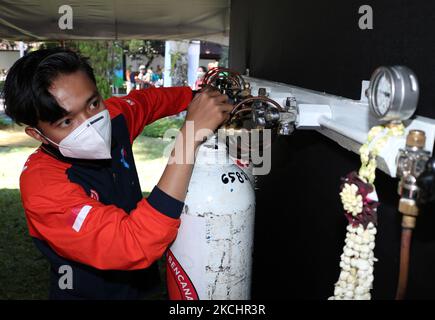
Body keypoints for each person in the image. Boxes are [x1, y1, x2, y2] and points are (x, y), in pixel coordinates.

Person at [2, 47, 232, 299]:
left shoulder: (113, 117)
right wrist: (191, 135)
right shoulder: (42, 188)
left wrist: (196, 97)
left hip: (141, 286)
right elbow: (133, 242)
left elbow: (147, 102)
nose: (91, 125)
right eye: (66, 122)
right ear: (37, 134)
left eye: (92, 103)